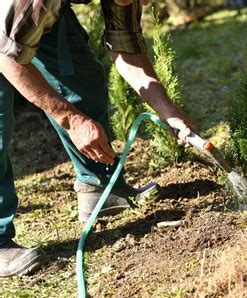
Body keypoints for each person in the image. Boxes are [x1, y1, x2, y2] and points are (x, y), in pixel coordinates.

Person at [0, 0, 197, 277]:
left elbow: (125, 46)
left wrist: (167, 109)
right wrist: (71, 119)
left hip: (22, 18)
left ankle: (100, 187)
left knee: (81, 77)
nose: (145, 3)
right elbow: (5, 56)